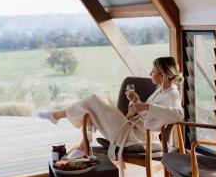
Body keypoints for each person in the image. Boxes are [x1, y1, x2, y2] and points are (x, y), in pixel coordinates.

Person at [38, 56, 183, 161]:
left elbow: (178, 115)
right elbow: (148, 114)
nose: (150, 73)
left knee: (94, 100)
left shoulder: (173, 94)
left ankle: (57, 117)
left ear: (163, 75)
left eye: (153, 71)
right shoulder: (161, 90)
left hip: (134, 137)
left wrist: (145, 106)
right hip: (130, 128)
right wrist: (136, 102)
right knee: (96, 105)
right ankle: (81, 146)